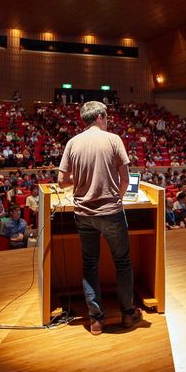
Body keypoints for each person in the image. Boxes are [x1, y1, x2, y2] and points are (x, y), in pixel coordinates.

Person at [57, 101, 141, 335]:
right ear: (101, 117)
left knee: (90, 265)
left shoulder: (72, 143)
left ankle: (96, 320)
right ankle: (127, 315)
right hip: (111, 213)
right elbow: (125, 179)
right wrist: (117, 199)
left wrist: (83, 179)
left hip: (83, 214)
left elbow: (62, 181)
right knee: (122, 263)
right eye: (107, 117)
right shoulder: (114, 139)